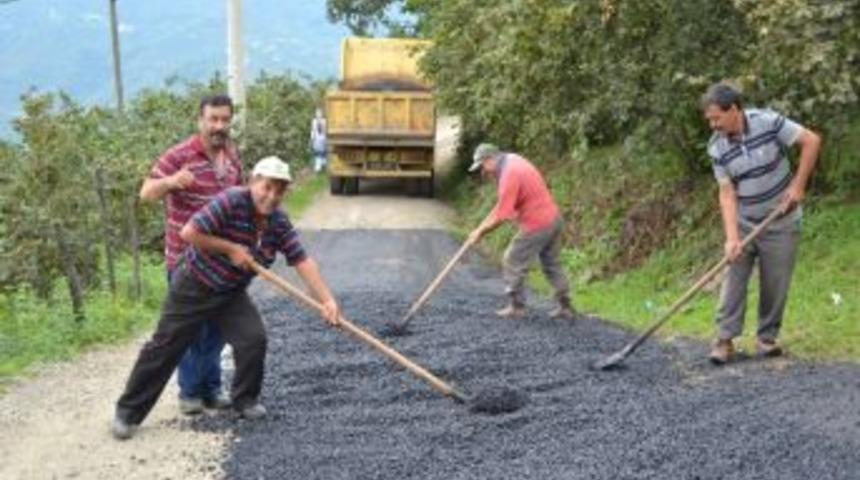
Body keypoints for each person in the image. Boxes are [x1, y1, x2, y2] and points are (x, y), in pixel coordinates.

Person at [112, 156, 341, 440]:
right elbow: (189, 233)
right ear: (253, 182)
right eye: (267, 187)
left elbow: (302, 260)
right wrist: (230, 248)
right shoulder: (231, 201)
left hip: (230, 292)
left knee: (253, 339)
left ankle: (245, 400)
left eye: (279, 190)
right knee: (165, 346)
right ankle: (128, 413)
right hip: (194, 285)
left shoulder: (278, 222)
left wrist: (327, 301)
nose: (271, 196)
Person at [701, 83, 820, 364]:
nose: (713, 125)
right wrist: (732, 238)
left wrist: (798, 186)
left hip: (781, 219)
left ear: (734, 109)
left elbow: (811, 141)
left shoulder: (767, 122)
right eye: (709, 120)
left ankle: (766, 339)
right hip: (745, 221)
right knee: (733, 279)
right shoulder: (716, 147)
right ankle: (724, 340)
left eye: (716, 118)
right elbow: (727, 193)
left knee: (775, 281)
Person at [139, 94, 243, 414]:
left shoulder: (232, 158)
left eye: (225, 120)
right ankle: (189, 392)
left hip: (220, 264)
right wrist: (172, 181)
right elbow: (146, 193)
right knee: (189, 329)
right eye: (213, 119)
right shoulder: (179, 155)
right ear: (200, 120)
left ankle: (211, 387)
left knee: (217, 329)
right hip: (185, 262)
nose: (219, 126)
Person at [466, 143, 575, 320]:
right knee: (551, 263)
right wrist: (479, 229)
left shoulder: (509, 174)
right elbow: (500, 206)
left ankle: (516, 306)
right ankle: (565, 306)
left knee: (512, 259)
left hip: (537, 223)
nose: (483, 172)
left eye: (482, 166)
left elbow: (502, 215)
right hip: (553, 219)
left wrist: (481, 233)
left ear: (490, 159)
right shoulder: (512, 160)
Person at [310, 108, 327, 174]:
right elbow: (313, 130)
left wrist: (326, 138)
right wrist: (312, 138)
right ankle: (318, 167)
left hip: (322, 138)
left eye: (320, 114)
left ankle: (323, 165)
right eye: (317, 114)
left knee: (323, 152)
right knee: (317, 152)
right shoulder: (314, 121)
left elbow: (325, 130)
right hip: (317, 139)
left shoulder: (324, 121)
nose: (318, 115)